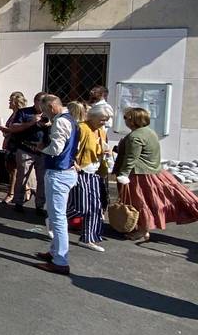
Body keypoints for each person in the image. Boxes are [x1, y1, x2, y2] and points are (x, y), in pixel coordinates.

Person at [114, 107, 198, 241]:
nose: (125, 120)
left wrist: (123, 174)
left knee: (140, 202)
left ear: (134, 120)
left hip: (139, 174)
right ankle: (142, 228)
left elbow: (131, 158)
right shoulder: (150, 132)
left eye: (127, 118)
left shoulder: (135, 136)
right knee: (148, 201)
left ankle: (142, 231)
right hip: (153, 172)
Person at [34, 95, 78, 275]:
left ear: (52, 107)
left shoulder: (60, 122)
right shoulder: (71, 120)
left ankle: (60, 260)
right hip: (66, 170)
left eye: (45, 110)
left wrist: (41, 148)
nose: (45, 114)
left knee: (58, 218)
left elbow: (57, 149)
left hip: (59, 172)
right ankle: (55, 252)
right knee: (55, 215)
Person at [66, 108, 111, 252]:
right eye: (102, 118)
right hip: (81, 171)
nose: (104, 122)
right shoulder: (82, 128)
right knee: (82, 206)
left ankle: (88, 238)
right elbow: (72, 148)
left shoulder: (101, 132)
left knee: (96, 208)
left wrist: (107, 152)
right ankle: (57, 219)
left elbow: (99, 149)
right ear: (92, 116)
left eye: (106, 119)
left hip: (95, 171)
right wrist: (73, 163)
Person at [7, 91, 48, 216]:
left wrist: (49, 124)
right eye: (41, 103)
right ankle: (19, 201)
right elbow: (13, 127)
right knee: (22, 176)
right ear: (35, 102)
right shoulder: (24, 112)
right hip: (26, 148)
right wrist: (31, 122)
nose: (43, 106)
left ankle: (40, 205)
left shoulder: (49, 114)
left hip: (43, 151)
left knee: (42, 179)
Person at [0, 91, 28, 204]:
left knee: (13, 170)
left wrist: (6, 130)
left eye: (11, 100)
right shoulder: (14, 113)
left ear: (16, 102)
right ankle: (24, 190)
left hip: (16, 144)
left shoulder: (20, 114)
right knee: (11, 169)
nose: (9, 102)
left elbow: (17, 130)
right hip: (10, 143)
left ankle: (12, 193)